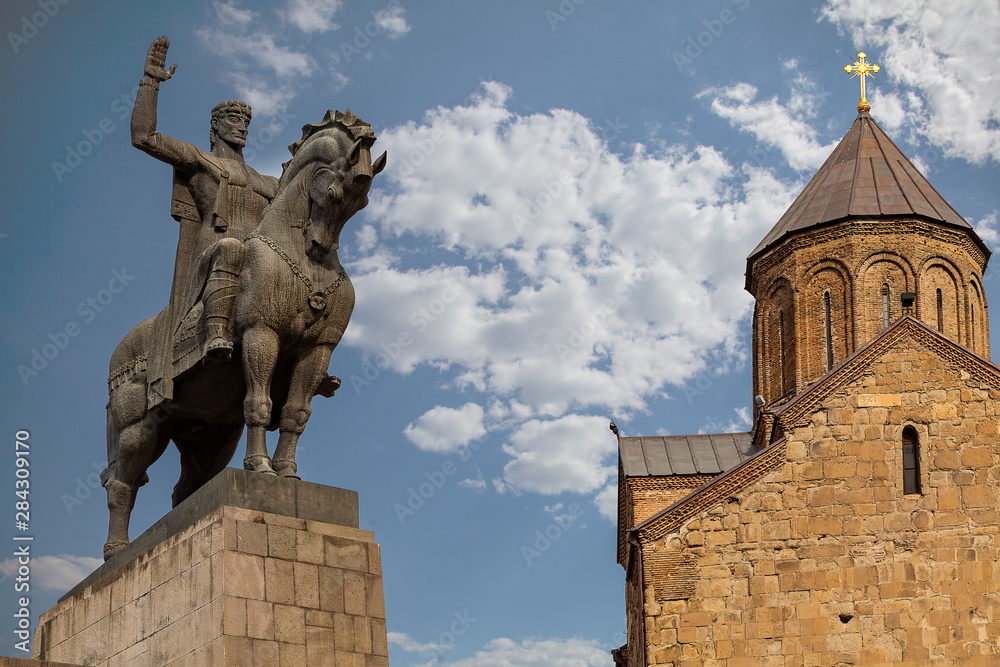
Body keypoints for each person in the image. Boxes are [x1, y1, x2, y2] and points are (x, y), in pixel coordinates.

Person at [132, 36, 279, 406]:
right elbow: (144, 137)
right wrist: (151, 81)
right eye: (233, 119)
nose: (242, 127)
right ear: (214, 124)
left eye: (246, 122)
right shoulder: (199, 159)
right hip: (214, 252)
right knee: (230, 248)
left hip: (261, 259)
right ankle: (215, 332)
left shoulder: (267, 182)